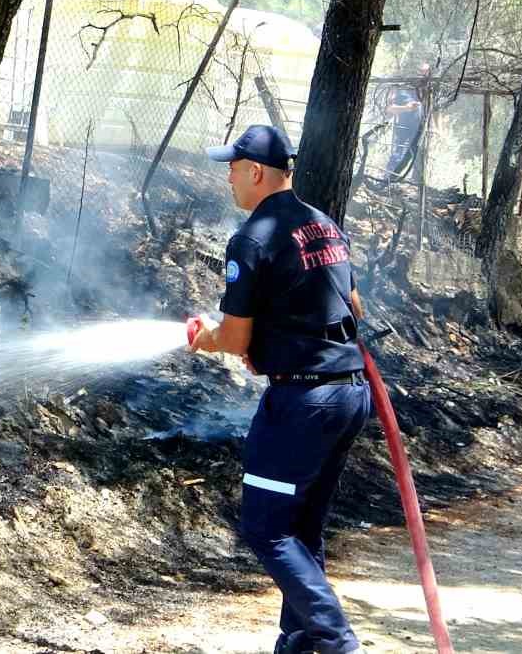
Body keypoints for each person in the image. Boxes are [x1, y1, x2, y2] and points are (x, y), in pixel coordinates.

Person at [189, 124, 372, 654]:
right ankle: (299, 642)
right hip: (347, 393)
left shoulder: (252, 237)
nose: (228, 177)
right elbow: (353, 308)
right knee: (304, 528)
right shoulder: (323, 225)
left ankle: (335, 642)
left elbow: (234, 335)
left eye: (233, 167)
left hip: (303, 403)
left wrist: (207, 339)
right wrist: (274, 339)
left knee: (266, 528)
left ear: (256, 172)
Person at [384, 63, 429, 176]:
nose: (422, 75)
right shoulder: (400, 88)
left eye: (426, 73)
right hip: (403, 128)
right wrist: (406, 108)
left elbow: (433, 109)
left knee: (418, 157)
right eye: (420, 72)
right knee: (397, 155)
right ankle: (388, 179)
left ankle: (411, 184)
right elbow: (389, 109)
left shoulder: (426, 89)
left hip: (419, 129)